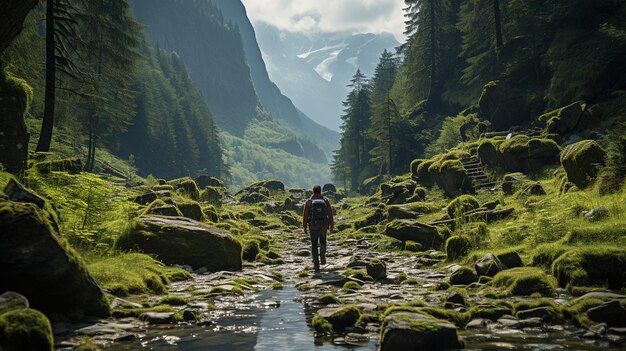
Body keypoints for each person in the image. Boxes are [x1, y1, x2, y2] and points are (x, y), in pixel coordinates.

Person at [302, 185, 334, 272]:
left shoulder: (308, 202)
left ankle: (316, 265)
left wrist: (304, 227)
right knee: (323, 241)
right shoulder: (325, 201)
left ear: (313, 191)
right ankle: (322, 253)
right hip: (323, 226)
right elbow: (330, 214)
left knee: (314, 245)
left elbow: (305, 216)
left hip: (313, 226)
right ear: (321, 191)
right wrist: (331, 225)